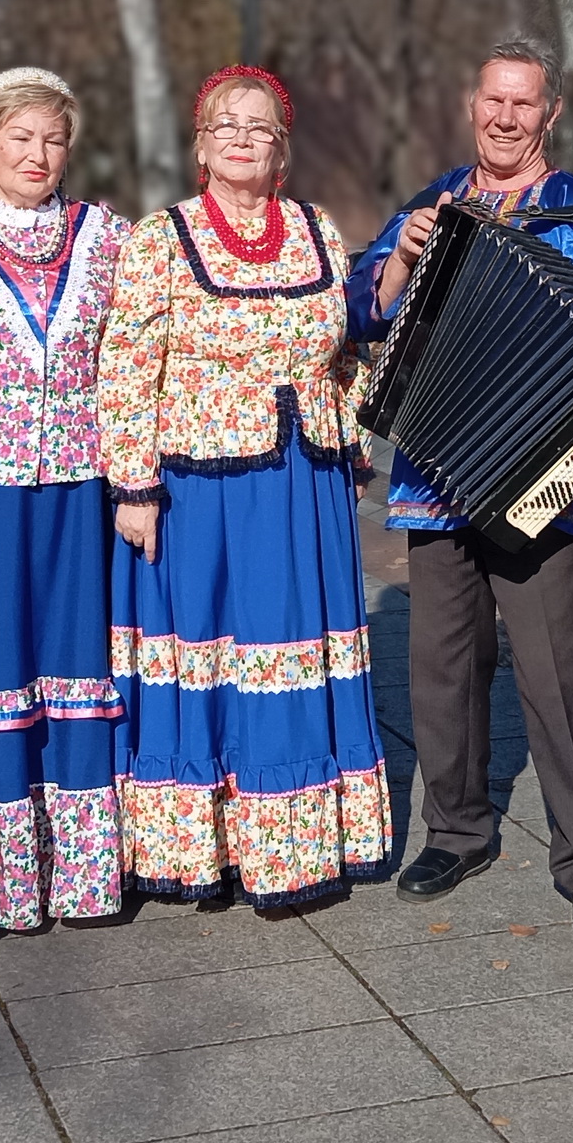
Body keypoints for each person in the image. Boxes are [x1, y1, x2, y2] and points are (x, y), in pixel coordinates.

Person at [345, 38, 573, 922]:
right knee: (440, 661)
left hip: (546, 478)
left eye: (524, 104)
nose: (506, 117)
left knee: (557, 668)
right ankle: (457, 831)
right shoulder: (434, 202)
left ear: (548, 114)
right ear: (472, 105)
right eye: (493, 101)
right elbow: (363, 308)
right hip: (438, 471)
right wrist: (400, 258)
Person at [102, 65, 391, 906]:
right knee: (214, 651)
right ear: (200, 144)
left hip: (301, 481)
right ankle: (206, 845)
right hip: (200, 487)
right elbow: (126, 363)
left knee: (291, 647)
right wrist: (132, 484)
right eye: (225, 123)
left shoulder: (317, 230)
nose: (241, 136)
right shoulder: (161, 237)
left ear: (282, 151)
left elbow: (344, 354)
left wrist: (354, 445)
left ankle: (296, 844)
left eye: (259, 127)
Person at [0, 67, 131, 924]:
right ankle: (9, 877)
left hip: (80, 477)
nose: (38, 154)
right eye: (21, 137)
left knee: (78, 663)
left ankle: (82, 873)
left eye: (53, 139)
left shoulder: (105, 235)